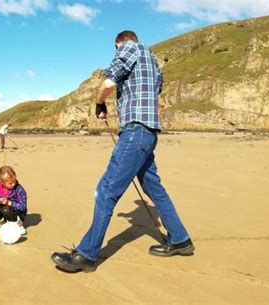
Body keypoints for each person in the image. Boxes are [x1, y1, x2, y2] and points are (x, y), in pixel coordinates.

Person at [51, 30, 194, 272]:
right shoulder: (154, 62)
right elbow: (153, 96)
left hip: (135, 132)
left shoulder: (129, 48)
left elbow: (109, 81)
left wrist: (99, 103)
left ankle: (86, 255)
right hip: (148, 133)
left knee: (105, 191)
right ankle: (180, 240)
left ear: (118, 43)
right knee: (154, 189)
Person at [0, 165, 27, 235]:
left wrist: (9, 202)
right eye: (10, 183)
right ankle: (0, 222)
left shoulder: (19, 190)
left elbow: (23, 207)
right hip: (5, 210)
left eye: (14, 181)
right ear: (2, 182)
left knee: (7, 209)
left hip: (17, 212)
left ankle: (18, 225)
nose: (13, 184)